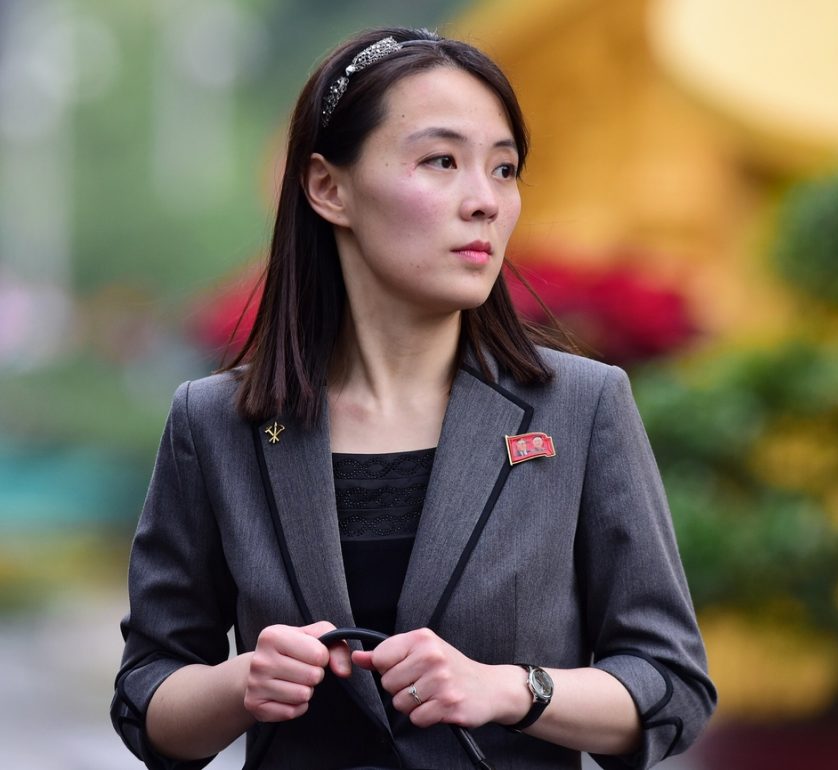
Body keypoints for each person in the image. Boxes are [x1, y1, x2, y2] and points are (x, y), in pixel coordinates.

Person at [111, 26, 715, 770]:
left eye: (504, 169)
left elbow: (672, 687)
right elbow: (147, 698)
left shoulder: (582, 407)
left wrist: (510, 689)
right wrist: (242, 683)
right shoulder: (215, 423)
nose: (485, 201)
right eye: (441, 161)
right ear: (328, 188)